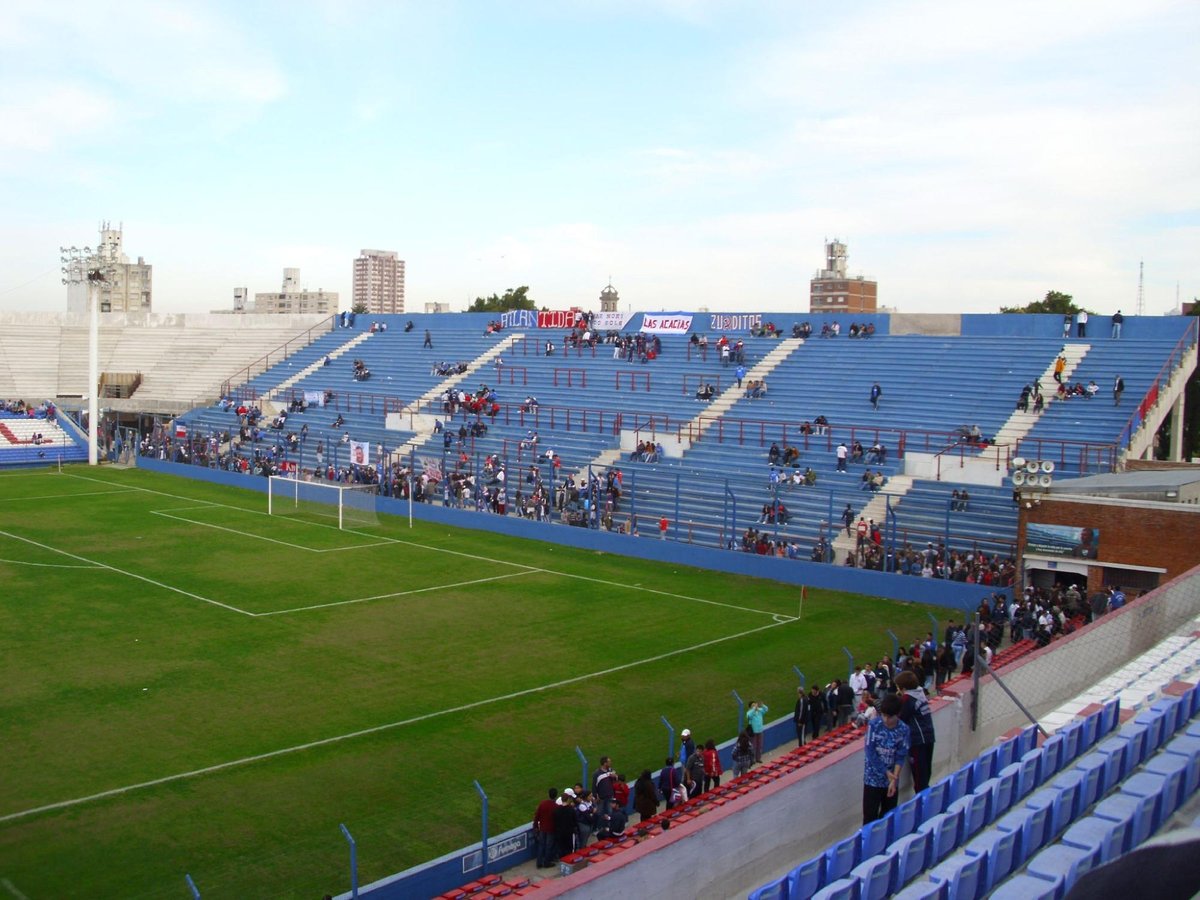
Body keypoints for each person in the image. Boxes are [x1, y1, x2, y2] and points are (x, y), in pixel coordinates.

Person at [862, 693, 910, 825]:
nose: (886, 720)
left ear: (897, 714)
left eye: (890, 717)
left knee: (889, 817)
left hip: (891, 780)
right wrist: (886, 772)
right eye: (884, 715)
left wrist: (894, 778)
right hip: (872, 779)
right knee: (869, 818)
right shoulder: (874, 725)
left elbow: (901, 755)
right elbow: (870, 752)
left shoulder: (903, 729)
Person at [895, 670, 936, 793]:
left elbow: (901, 718)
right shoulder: (920, 693)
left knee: (919, 775)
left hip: (918, 740)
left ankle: (922, 802)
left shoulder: (908, 698)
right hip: (929, 736)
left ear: (902, 687)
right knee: (926, 771)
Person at [532, 788, 559, 868]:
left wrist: (535, 826)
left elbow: (537, 816)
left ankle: (539, 863)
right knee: (549, 846)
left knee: (541, 845)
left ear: (548, 794)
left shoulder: (542, 804)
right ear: (556, 796)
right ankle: (547, 862)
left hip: (543, 828)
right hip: (551, 829)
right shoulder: (556, 806)